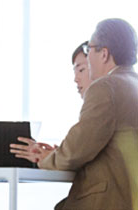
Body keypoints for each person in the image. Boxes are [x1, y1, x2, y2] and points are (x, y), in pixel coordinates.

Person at [10, 18, 138, 210]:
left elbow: (76, 150)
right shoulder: (132, 84)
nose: (87, 58)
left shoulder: (105, 87)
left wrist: (45, 158)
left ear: (104, 54)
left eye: (89, 49)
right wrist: (58, 152)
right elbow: (105, 147)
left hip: (106, 202)